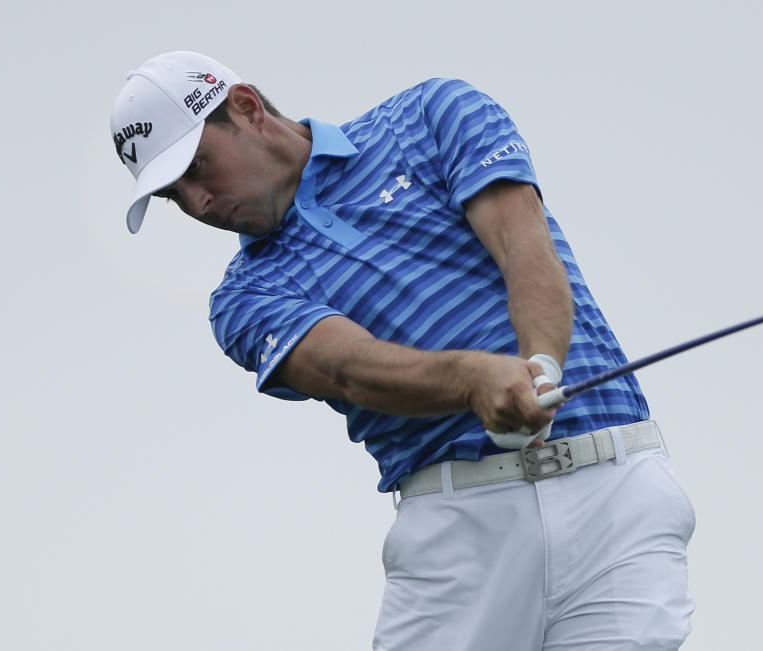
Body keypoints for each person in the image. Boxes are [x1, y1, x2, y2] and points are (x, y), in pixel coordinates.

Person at [111, 50, 696, 650]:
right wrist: (473, 379)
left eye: (198, 167)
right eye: (173, 195)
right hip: (460, 534)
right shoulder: (244, 297)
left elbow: (522, 241)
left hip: (616, 497)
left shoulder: (431, 115)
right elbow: (347, 368)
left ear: (247, 108)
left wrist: (540, 367)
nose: (197, 202)